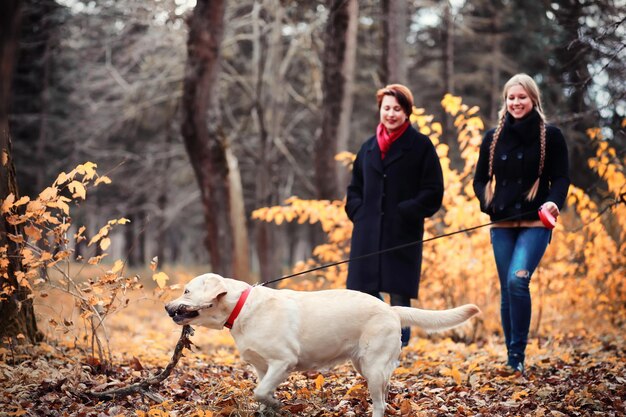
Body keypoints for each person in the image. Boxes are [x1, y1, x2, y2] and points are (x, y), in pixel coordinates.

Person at [473, 73, 570, 374]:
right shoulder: (492, 138)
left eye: (522, 97)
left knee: (518, 281)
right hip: (501, 225)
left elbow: (562, 178)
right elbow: (479, 181)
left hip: (535, 224)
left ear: (533, 99)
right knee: (507, 288)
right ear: (506, 101)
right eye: (511, 98)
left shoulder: (550, 136)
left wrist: (553, 202)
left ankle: (518, 354)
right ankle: (511, 358)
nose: (516, 102)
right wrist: (488, 203)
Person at [345, 84, 444, 347]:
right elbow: (354, 187)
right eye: (386, 108)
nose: (391, 114)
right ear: (380, 110)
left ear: (407, 112)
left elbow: (433, 191)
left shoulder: (421, 146)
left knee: (399, 295)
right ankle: (374, 345)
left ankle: (399, 349)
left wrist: (407, 211)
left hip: (402, 232)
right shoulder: (367, 148)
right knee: (364, 294)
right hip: (367, 233)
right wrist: (358, 210)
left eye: (397, 109)